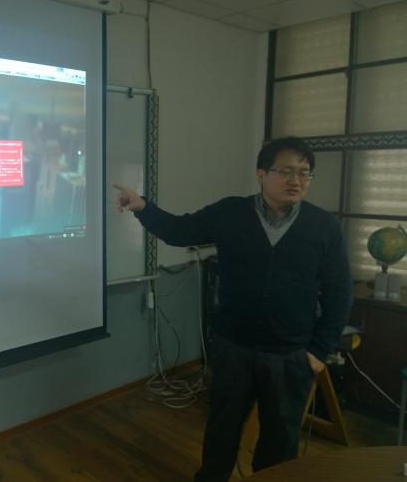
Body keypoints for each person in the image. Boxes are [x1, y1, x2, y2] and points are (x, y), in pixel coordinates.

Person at [114, 136, 353, 482]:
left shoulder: (324, 226)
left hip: (290, 353)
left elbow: (339, 291)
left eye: (304, 173)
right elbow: (180, 231)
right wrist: (143, 207)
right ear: (261, 174)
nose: (296, 180)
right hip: (233, 347)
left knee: (281, 439)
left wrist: (320, 350)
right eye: (286, 171)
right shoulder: (230, 212)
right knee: (221, 430)